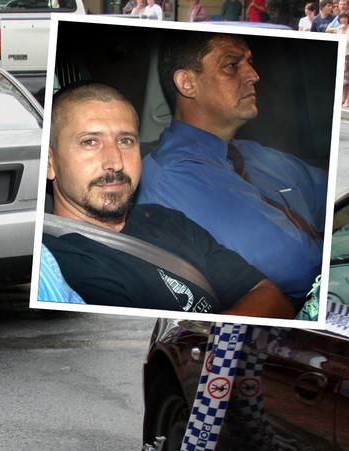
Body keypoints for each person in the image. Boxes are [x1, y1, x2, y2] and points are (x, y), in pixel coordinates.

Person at [45, 82, 293, 317]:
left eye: (126, 140)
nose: (116, 161)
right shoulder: (61, 266)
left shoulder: (165, 219)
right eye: (90, 142)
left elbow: (273, 298)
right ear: (49, 163)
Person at [136, 33, 326, 304]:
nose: (254, 75)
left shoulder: (254, 153)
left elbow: (333, 200)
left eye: (249, 62)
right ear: (187, 83)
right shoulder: (175, 176)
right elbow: (300, 270)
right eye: (232, 65)